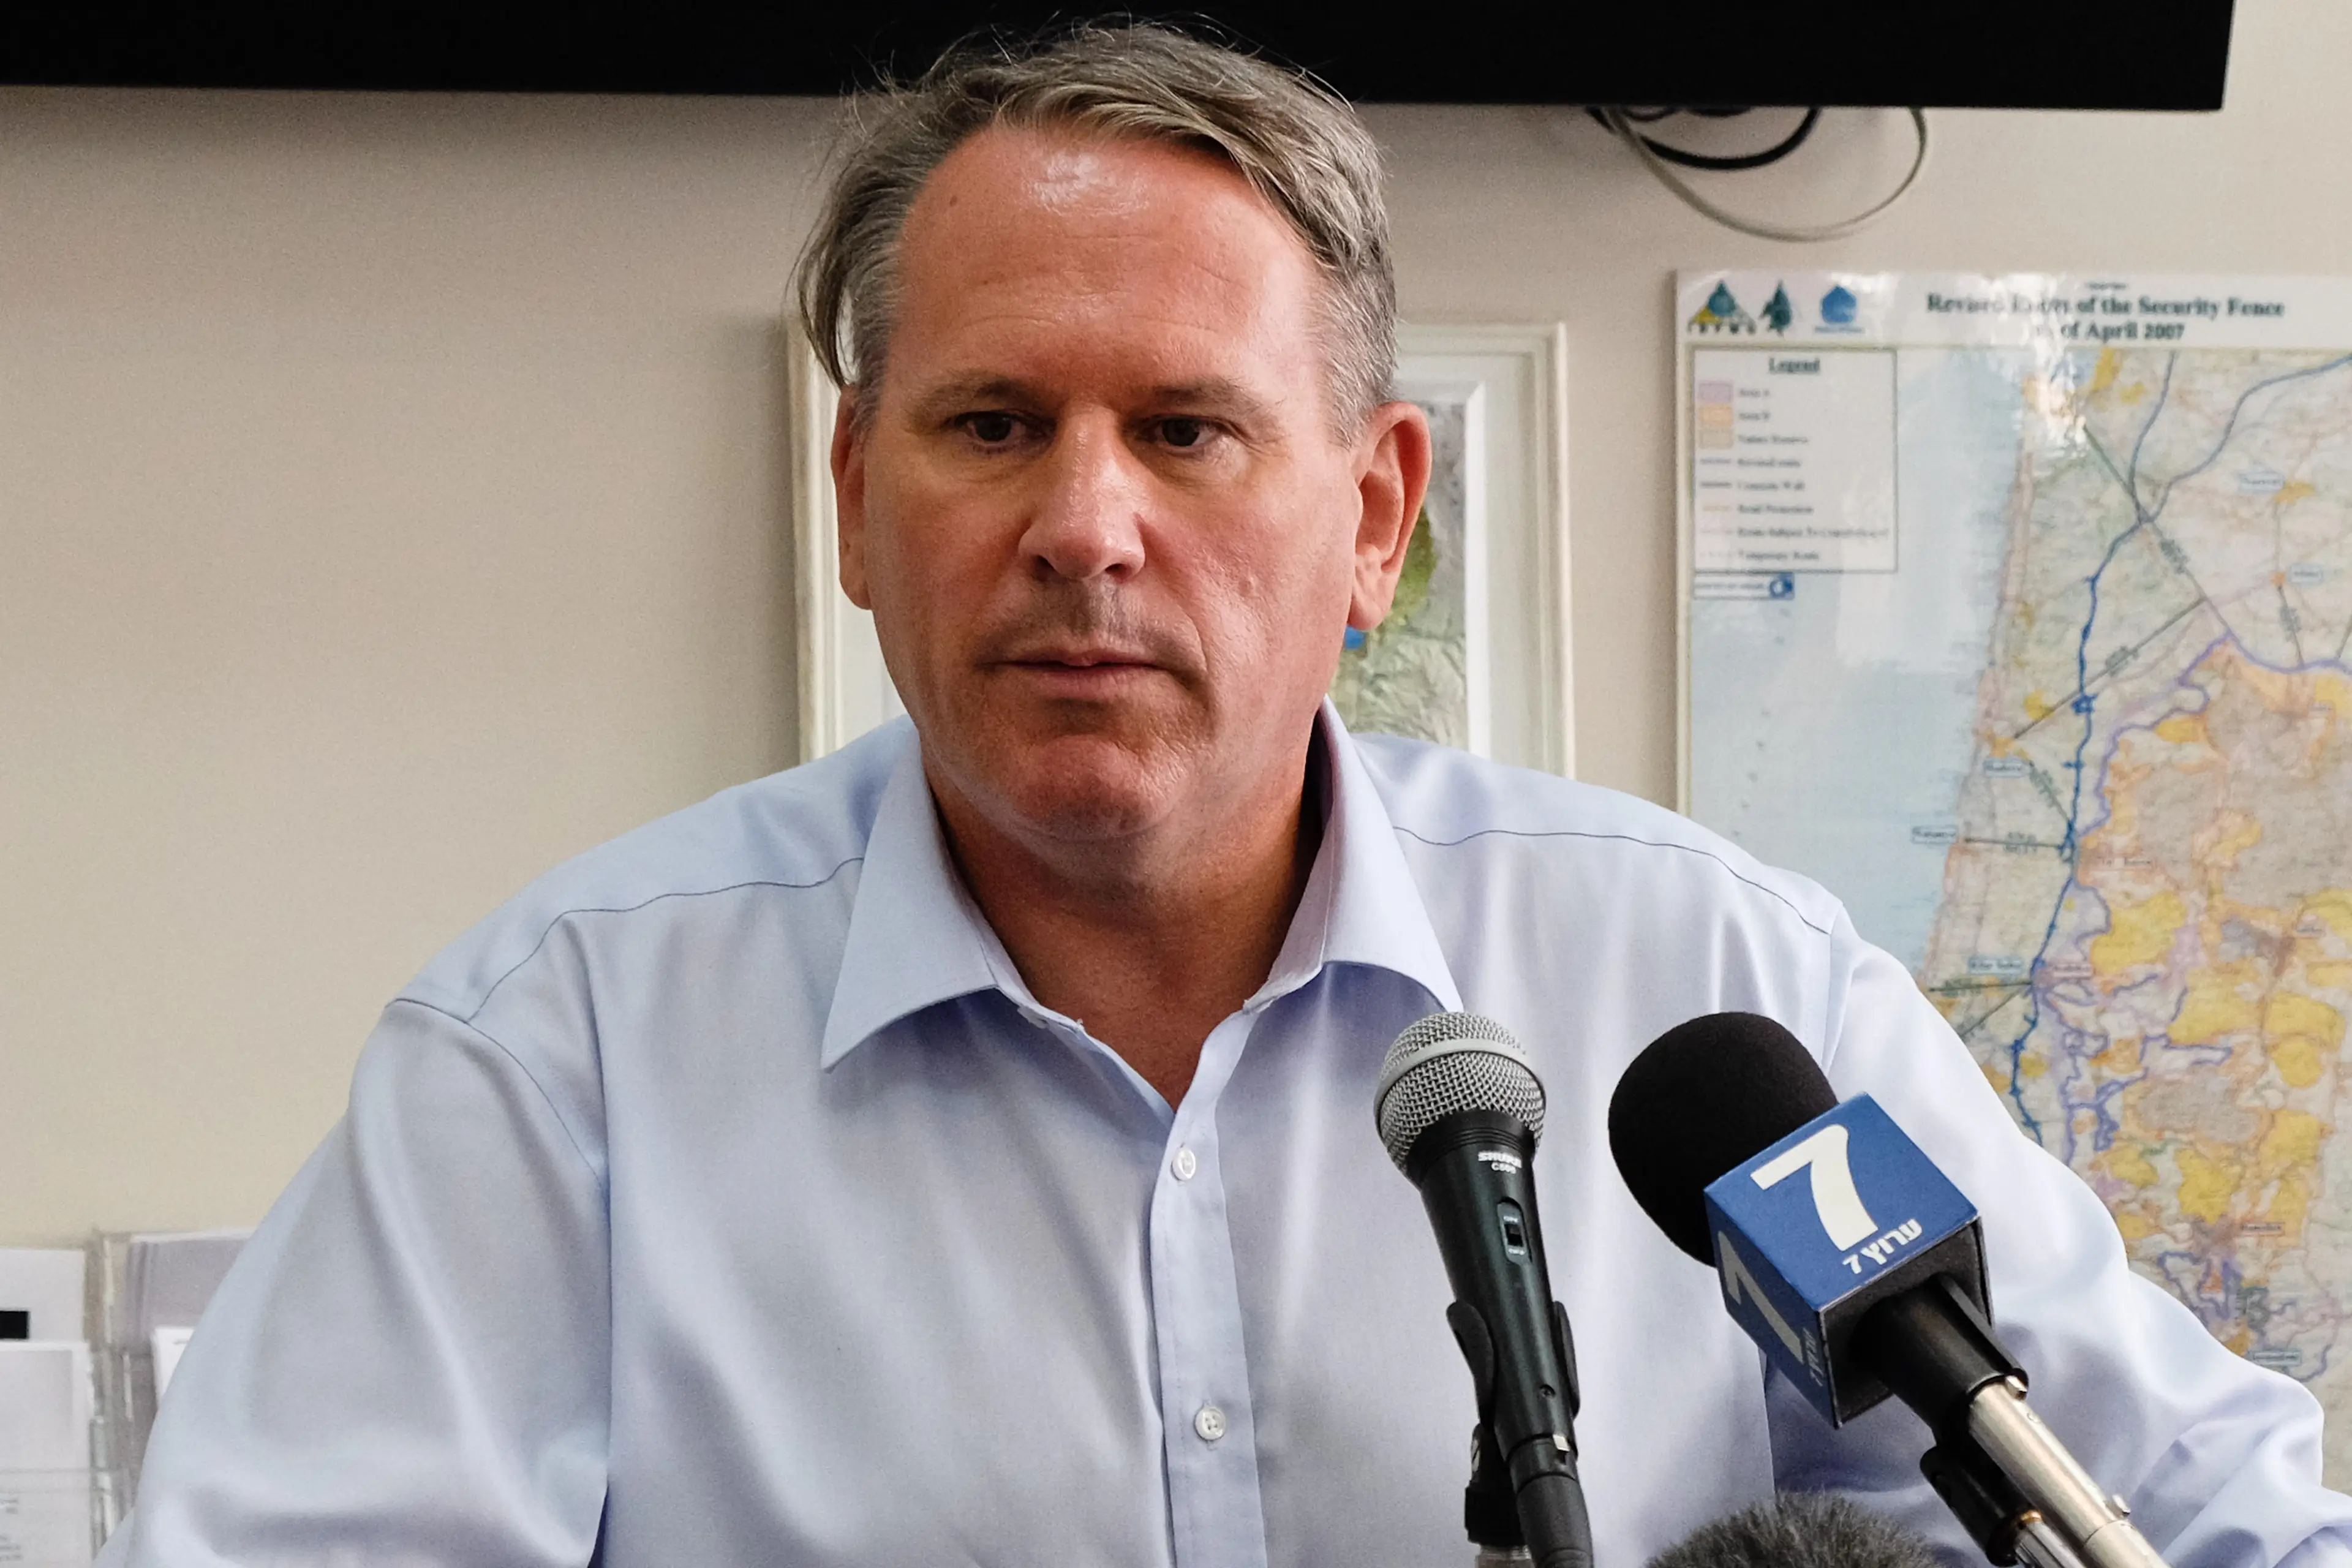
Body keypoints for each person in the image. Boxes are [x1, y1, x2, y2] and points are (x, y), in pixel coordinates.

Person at [105, 23, 2352, 1567]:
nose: (1086, 527)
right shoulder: (559, 1061)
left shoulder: (1710, 992)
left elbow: (2216, 1521)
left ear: (1374, 520)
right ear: (857, 505)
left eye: (1185, 431)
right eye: (992, 426)